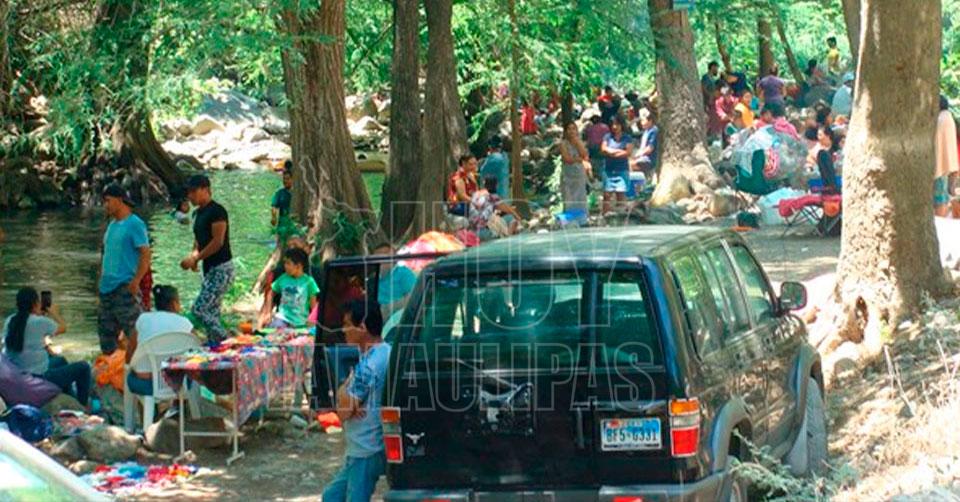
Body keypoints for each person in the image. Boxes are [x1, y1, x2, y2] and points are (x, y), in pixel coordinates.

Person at [323, 298, 391, 502]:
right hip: (363, 447)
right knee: (331, 497)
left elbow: (343, 413)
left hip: (365, 449)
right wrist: (348, 395)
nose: (343, 330)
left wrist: (345, 393)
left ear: (362, 327)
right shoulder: (384, 352)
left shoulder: (369, 366)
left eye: (347, 324)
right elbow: (347, 404)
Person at [4, 288, 91, 406]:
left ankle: (69, 396)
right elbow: (63, 328)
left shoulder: (10, 321)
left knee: (60, 360)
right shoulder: (40, 322)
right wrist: (54, 312)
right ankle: (83, 405)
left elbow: (29, 334)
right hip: (39, 380)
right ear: (35, 304)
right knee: (84, 367)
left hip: (17, 376)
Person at [180, 174, 235, 344]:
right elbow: (198, 240)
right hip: (209, 268)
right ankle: (216, 346)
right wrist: (194, 257)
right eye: (188, 192)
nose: (190, 196)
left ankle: (226, 338)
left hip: (222, 268)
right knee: (212, 311)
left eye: (193, 191)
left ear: (205, 189)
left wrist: (197, 257)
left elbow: (218, 242)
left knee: (199, 309)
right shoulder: (197, 214)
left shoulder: (217, 211)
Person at [98, 184, 151, 355]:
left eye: (108, 201)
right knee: (106, 336)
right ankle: (112, 365)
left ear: (120, 200)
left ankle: (143, 364)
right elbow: (106, 253)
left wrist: (136, 280)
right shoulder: (112, 225)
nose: (105, 205)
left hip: (124, 286)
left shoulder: (135, 224)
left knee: (135, 331)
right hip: (106, 288)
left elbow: (145, 254)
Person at [125, 285, 195, 396]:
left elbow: (130, 353)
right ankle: (181, 403)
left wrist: (130, 366)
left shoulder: (143, 319)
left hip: (145, 383)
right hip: (178, 382)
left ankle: (147, 407)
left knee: (131, 376)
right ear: (174, 304)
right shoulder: (185, 324)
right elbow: (197, 350)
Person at [263, 248, 320, 329]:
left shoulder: (309, 282)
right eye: (285, 263)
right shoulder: (283, 278)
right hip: (282, 319)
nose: (285, 266)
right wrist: (268, 312)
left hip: (301, 323)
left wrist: (313, 320)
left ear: (298, 266)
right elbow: (271, 293)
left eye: (288, 263)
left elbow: (313, 305)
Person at [600, 115, 633, 214]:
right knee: (607, 195)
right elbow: (603, 149)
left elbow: (628, 152)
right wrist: (619, 151)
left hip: (622, 170)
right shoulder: (607, 137)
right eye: (613, 124)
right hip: (608, 170)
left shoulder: (627, 138)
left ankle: (621, 215)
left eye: (617, 124)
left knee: (621, 194)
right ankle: (605, 215)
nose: (614, 127)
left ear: (621, 125)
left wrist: (611, 152)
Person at [559, 121, 592, 212]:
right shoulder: (563, 143)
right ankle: (570, 216)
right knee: (568, 197)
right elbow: (566, 159)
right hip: (567, 174)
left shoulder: (579, 142)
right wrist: (578, 159)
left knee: (580, 196)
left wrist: (577, 143)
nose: (571, 131)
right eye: (569, 129)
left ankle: (581, 216)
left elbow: (584, 155)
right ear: (565, 131)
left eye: (573, 129)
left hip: (579, 174)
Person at [935, 95, 960, 217]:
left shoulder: (940, 119)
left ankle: (940, 220)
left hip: (938, 164)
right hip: (948, 163)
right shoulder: (948, 117)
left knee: (940, 196)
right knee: (944, 194)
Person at [813, 126, 841, 194]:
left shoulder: (835, 149)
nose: (818, 138)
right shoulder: (817, 149)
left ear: (827, 136)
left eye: (820, 135)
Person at [634, 109, 659, 180]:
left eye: (643, 121)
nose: (641, 123)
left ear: (650, 121)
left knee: (630, 165)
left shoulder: (654, 130)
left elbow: (650, 148)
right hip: (642, 158)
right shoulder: (646, 131)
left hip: (649, 159)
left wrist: (640, 154)